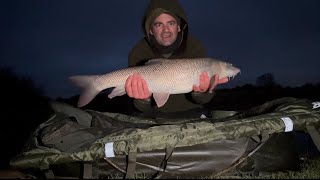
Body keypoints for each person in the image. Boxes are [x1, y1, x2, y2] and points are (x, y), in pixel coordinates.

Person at [125, 0, 228, 118]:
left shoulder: (194, 46)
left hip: (192, 111)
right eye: (158, 25)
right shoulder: (138, 52)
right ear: (150, 30)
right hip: (155, 115)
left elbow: (202, 100)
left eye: (171, 23)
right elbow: (139, 107)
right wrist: (143, 100)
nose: (166, 30)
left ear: (179, 27)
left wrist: (202, 93)